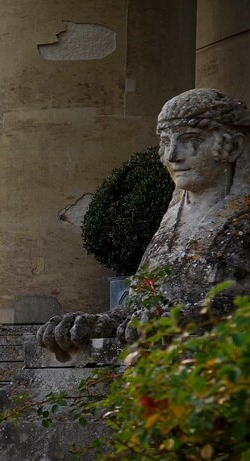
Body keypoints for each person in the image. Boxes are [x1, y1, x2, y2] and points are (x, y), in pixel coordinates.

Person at [39, 88, 250, 356]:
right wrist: (98, 323)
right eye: (165, 140)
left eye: (191, 139)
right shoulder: (171, 223)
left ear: (232, 146)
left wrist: (187, 318)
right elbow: (141, 306)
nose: (172, 155)